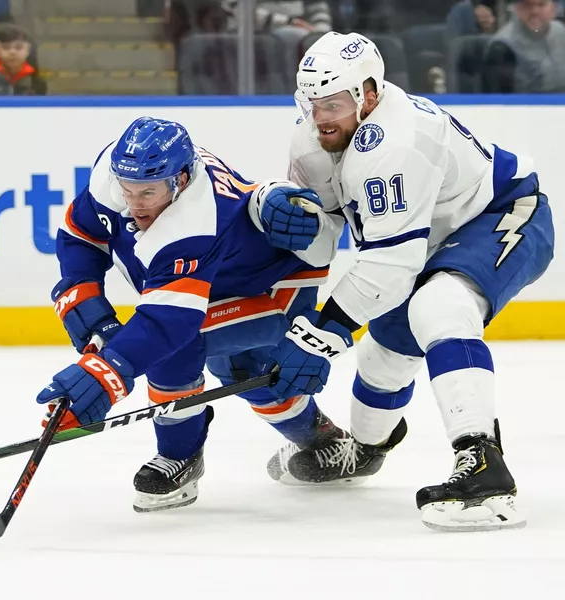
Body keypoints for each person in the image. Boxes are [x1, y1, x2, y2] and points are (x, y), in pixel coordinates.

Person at [257, 31, 554, 531]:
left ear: (368, 94)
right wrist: (301, 223)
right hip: (423, 242)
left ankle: (483, 465)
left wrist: (321, 332)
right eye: (310, 102)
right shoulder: (311, 139)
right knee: (381, 357)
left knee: (438, 306)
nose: (320, 116)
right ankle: (365, 451)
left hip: (504, 214)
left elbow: (391, 267)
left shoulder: (398, 140)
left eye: (332, 102)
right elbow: (330, 232)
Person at [35, 116, 347, 512]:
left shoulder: (197, 218)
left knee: (189, 352)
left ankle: (181, 456)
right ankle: (323, 441)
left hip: (273, 282)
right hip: (218, 281)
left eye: (148, 191)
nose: (133, 202)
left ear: (180, 180)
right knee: (241, 373)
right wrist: (89, 311)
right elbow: (82, 234)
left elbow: (169, 324)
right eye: (127, 189)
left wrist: (106, 375)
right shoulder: (115, 172)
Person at [0, 24, 47, 96]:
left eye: (18, 47)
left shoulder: (37, 83)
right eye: (6, 47)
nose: (12, 52)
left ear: (28, 51)